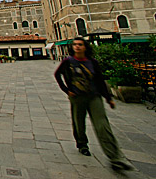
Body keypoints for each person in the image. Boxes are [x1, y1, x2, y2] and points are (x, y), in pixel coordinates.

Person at [54, 37, 132, 171]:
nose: (77, 47)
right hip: (77, 96)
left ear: (85, 47)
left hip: (94, 96)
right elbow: (57, 74)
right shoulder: (68, 62)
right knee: (78, 122)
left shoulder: (92, 62)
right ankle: (82, 144)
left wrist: (108, 98)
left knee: (102, 125)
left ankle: (115, 157)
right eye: (75, 45)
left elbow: (100, 81)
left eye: (80, 44)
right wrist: (67, 90)